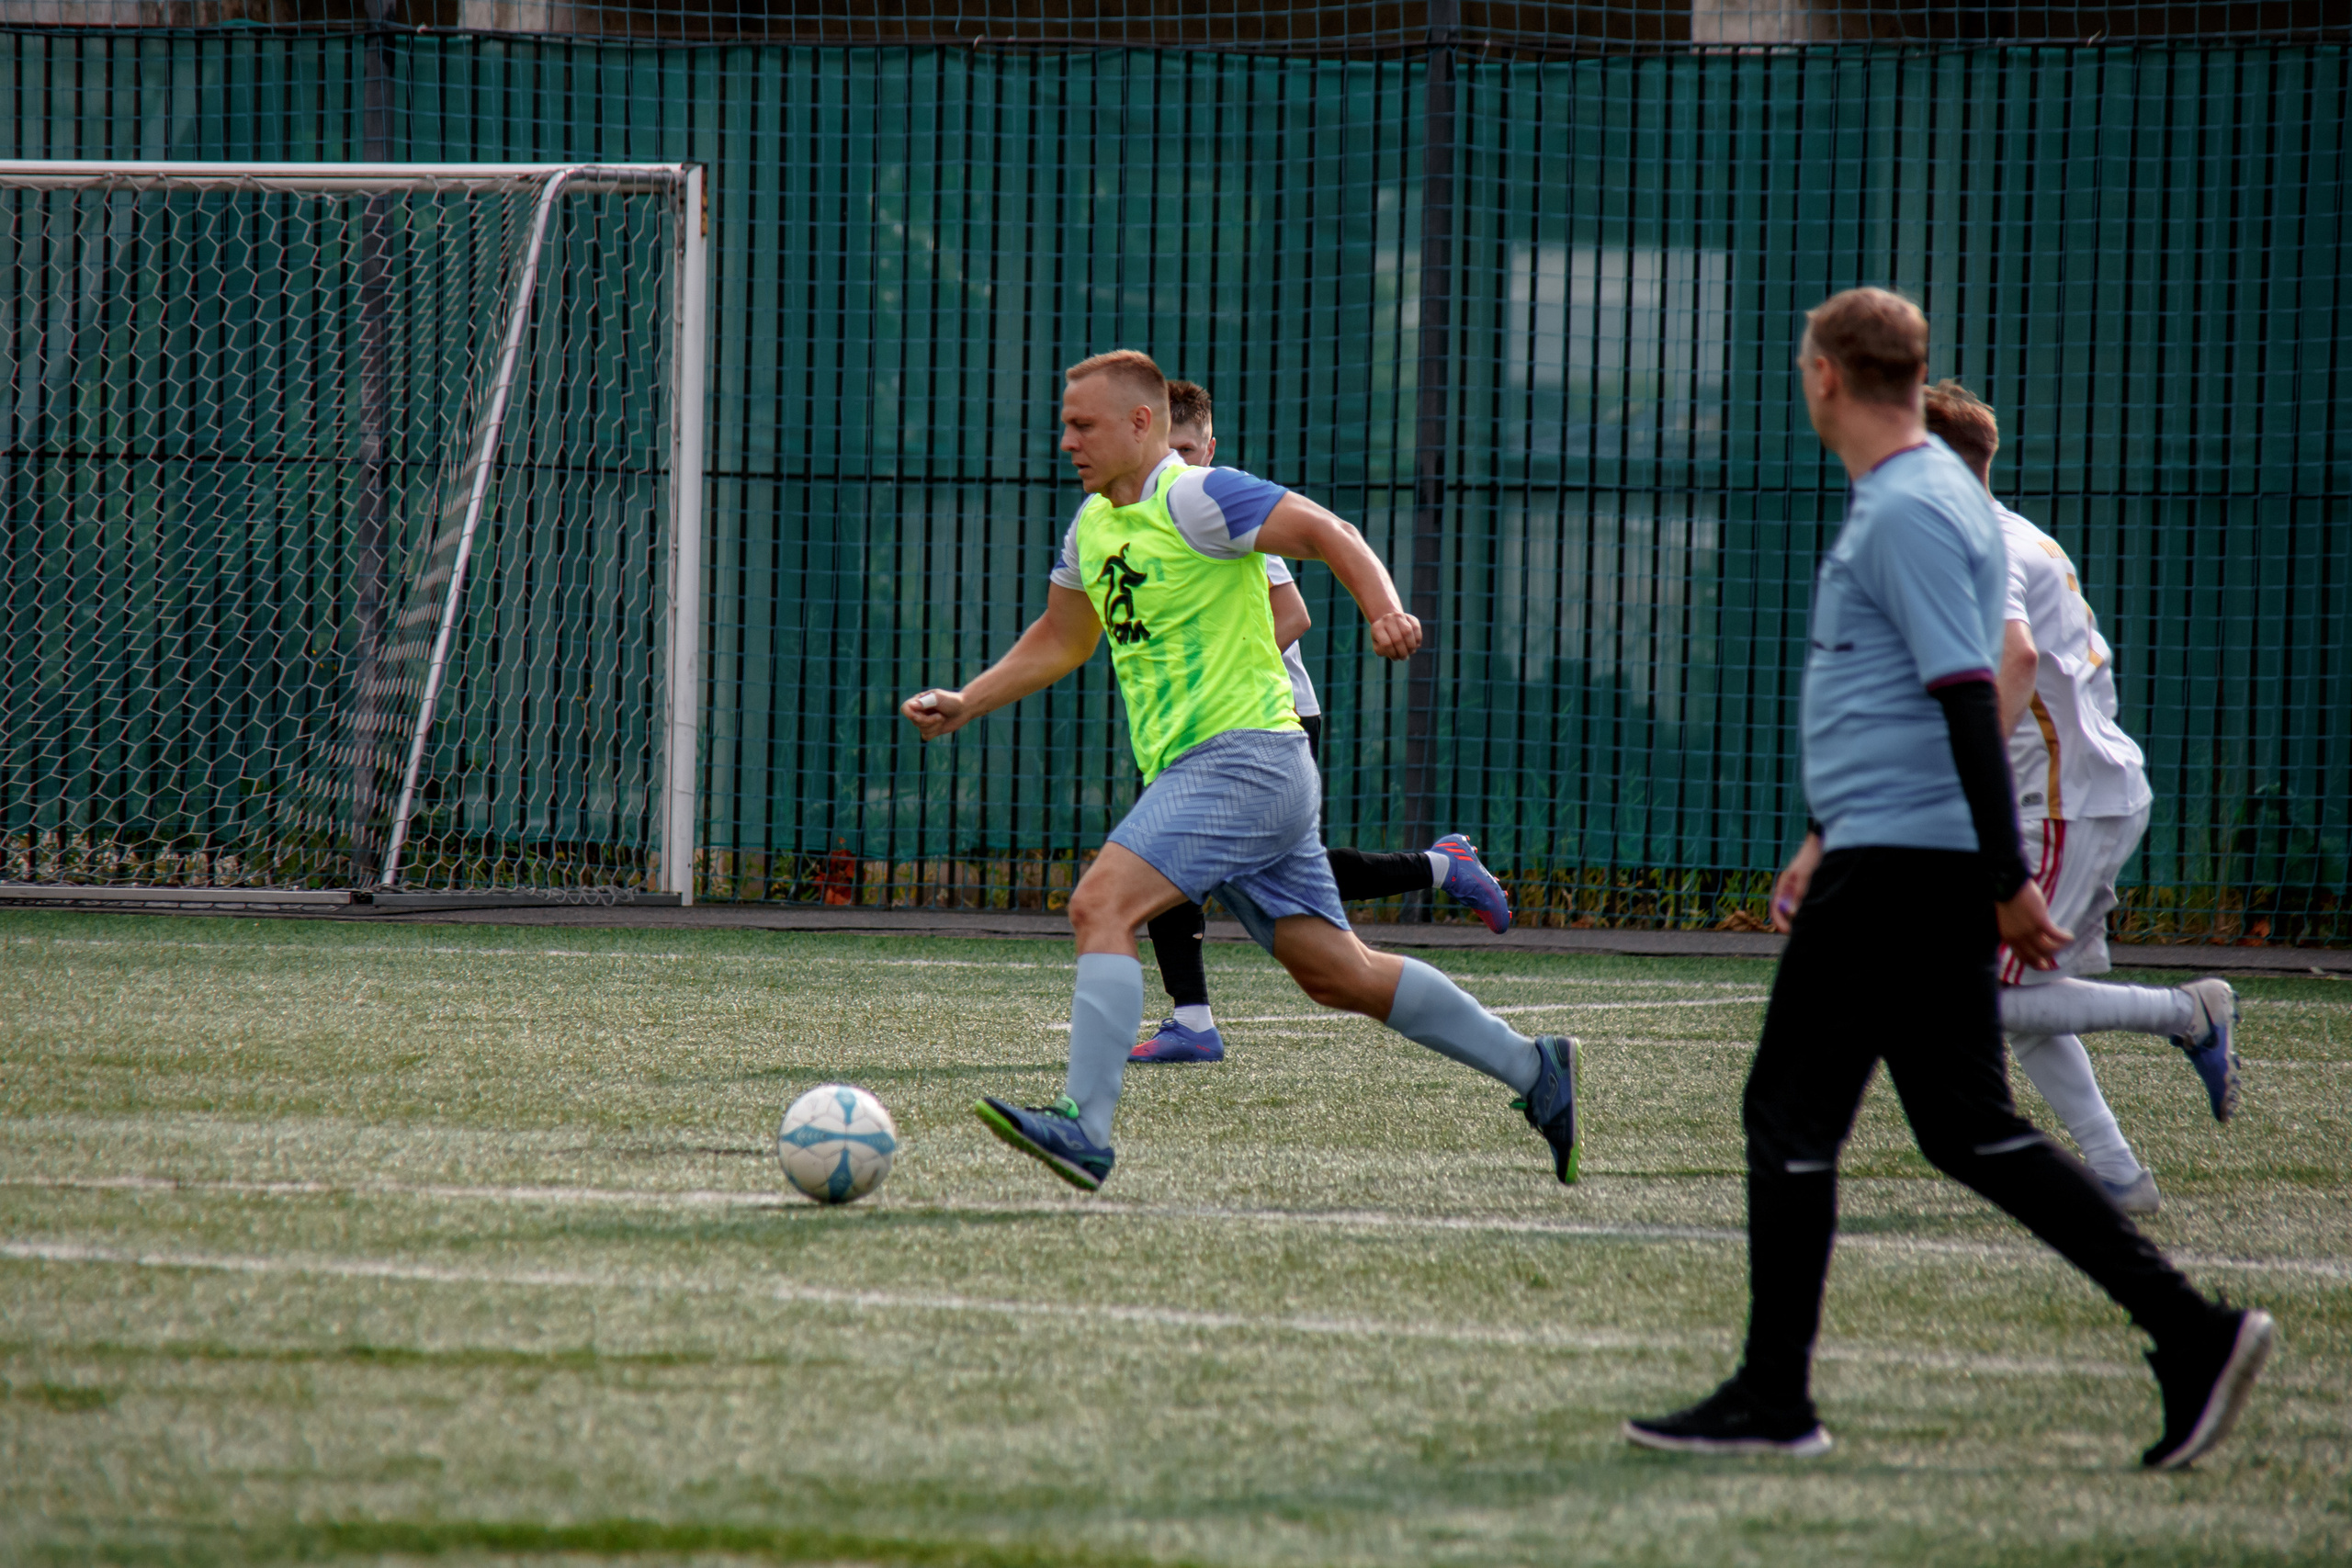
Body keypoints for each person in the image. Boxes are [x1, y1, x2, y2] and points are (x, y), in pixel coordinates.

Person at [1623, 291, 2271, 1469]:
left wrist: (2002, 871)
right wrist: (1827, 830)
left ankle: (1777, 1400)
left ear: (1825, 375)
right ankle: (2191, 1332)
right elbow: (1917, 690)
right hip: (1886, 848)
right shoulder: (1930, 498)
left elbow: (1971, 692)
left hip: (1901, 868)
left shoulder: (1911, 506)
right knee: (1966, 1128)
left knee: (1787, 1112)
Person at [901, 350, 1581, 1192]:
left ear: (1141, 424)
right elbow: (1064, 636)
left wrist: (1385, 609)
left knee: (1099, 902)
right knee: (1339, 972)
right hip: (1226, 769)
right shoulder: (1093, 525)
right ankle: (1534, 1067)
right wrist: (969, 700)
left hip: (1246, 757)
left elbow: (1332, 532)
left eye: (1083, 424)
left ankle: (1085, 1125)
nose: (1067, 439)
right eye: (1066, 423)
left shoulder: (1195, 494)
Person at [1923, 380, 2242, 1217]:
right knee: (2023, 999)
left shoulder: (1973, 540)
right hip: (2082, 794)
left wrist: (1959, 768)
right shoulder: (2014, 530)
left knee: (1971, 995)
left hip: (2059, 802)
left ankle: (2188, 1011)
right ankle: (2120, 1175)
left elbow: (2016, 660)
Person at [1132, 378, 1513, 1066]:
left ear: (1209, 448)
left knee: (1168, 858)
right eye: (1167, 450)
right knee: (1251, 875)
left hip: (1271, 719)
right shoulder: (1143, 518)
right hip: (1198, 726)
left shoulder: (1219, 504)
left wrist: (1204, 675)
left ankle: (1192, 1021)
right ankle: (1441, 865)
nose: (1178, 465)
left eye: (1189, 449)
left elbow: (1293, 614)